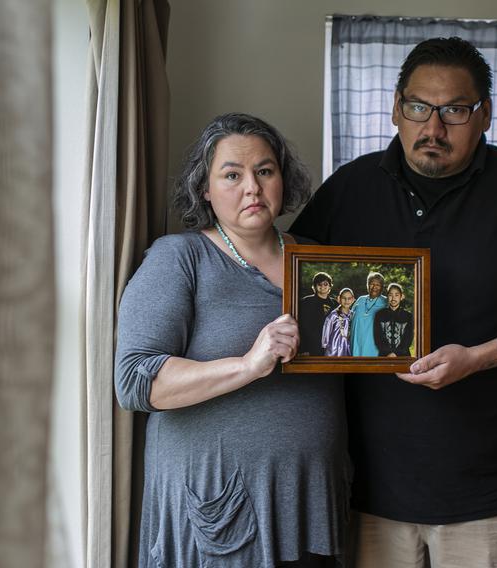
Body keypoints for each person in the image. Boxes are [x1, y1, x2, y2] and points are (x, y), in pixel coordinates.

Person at [291, 37, 497, 568]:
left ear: (484, 116)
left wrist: (477, 358)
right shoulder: (350, 187)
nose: (433, 128)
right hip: (366, 487)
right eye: (418, 107)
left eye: (455, 111)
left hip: (485, 493)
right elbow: (287, 276)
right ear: (395, 108)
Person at [115, 113, 349, 568]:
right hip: (221, 506)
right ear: (204, 188)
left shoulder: (322, 262)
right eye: (232, 175)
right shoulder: (180, 258)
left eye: (265, 171)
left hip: (310, 502)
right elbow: (135, 382)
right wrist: (247, 365)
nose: (253, 188)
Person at [298, 272, 338, 355]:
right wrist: (304, 348)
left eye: (325, 284)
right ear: (315, 286)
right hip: (311, 347)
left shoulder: (335, 304)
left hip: (330, 347)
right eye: (319, 284)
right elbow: (302, 327)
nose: (322, 286)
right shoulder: (306, 302)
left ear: (330, 286)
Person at [349, 272, 387, 357]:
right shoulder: (360, 299)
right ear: (367, 285)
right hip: (356, 341)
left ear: (382, 287)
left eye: (378, 285)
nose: (374, 287)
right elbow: (349, 317)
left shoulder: (386, 302)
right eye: (371, 284)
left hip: (373, 345)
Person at [373, 283, 413, 357]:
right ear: (387, 297)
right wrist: (388, 353)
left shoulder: (408, 316)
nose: (393, 298)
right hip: (384, 356)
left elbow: (408, 339)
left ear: (402, 297)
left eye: (396, 295)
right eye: (390, 295)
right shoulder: (379, 315)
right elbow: (378, 338)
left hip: (403, 356)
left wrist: (395, 354)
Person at [321, 287, 356, 356]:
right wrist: (325, 346)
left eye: (349, 298)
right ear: (339, 299)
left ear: (353, 300)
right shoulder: (333, 315)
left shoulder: (353, 315)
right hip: (334, 348)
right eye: (344, 298)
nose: (346, 300)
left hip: (349, 348)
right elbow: (326, 331)